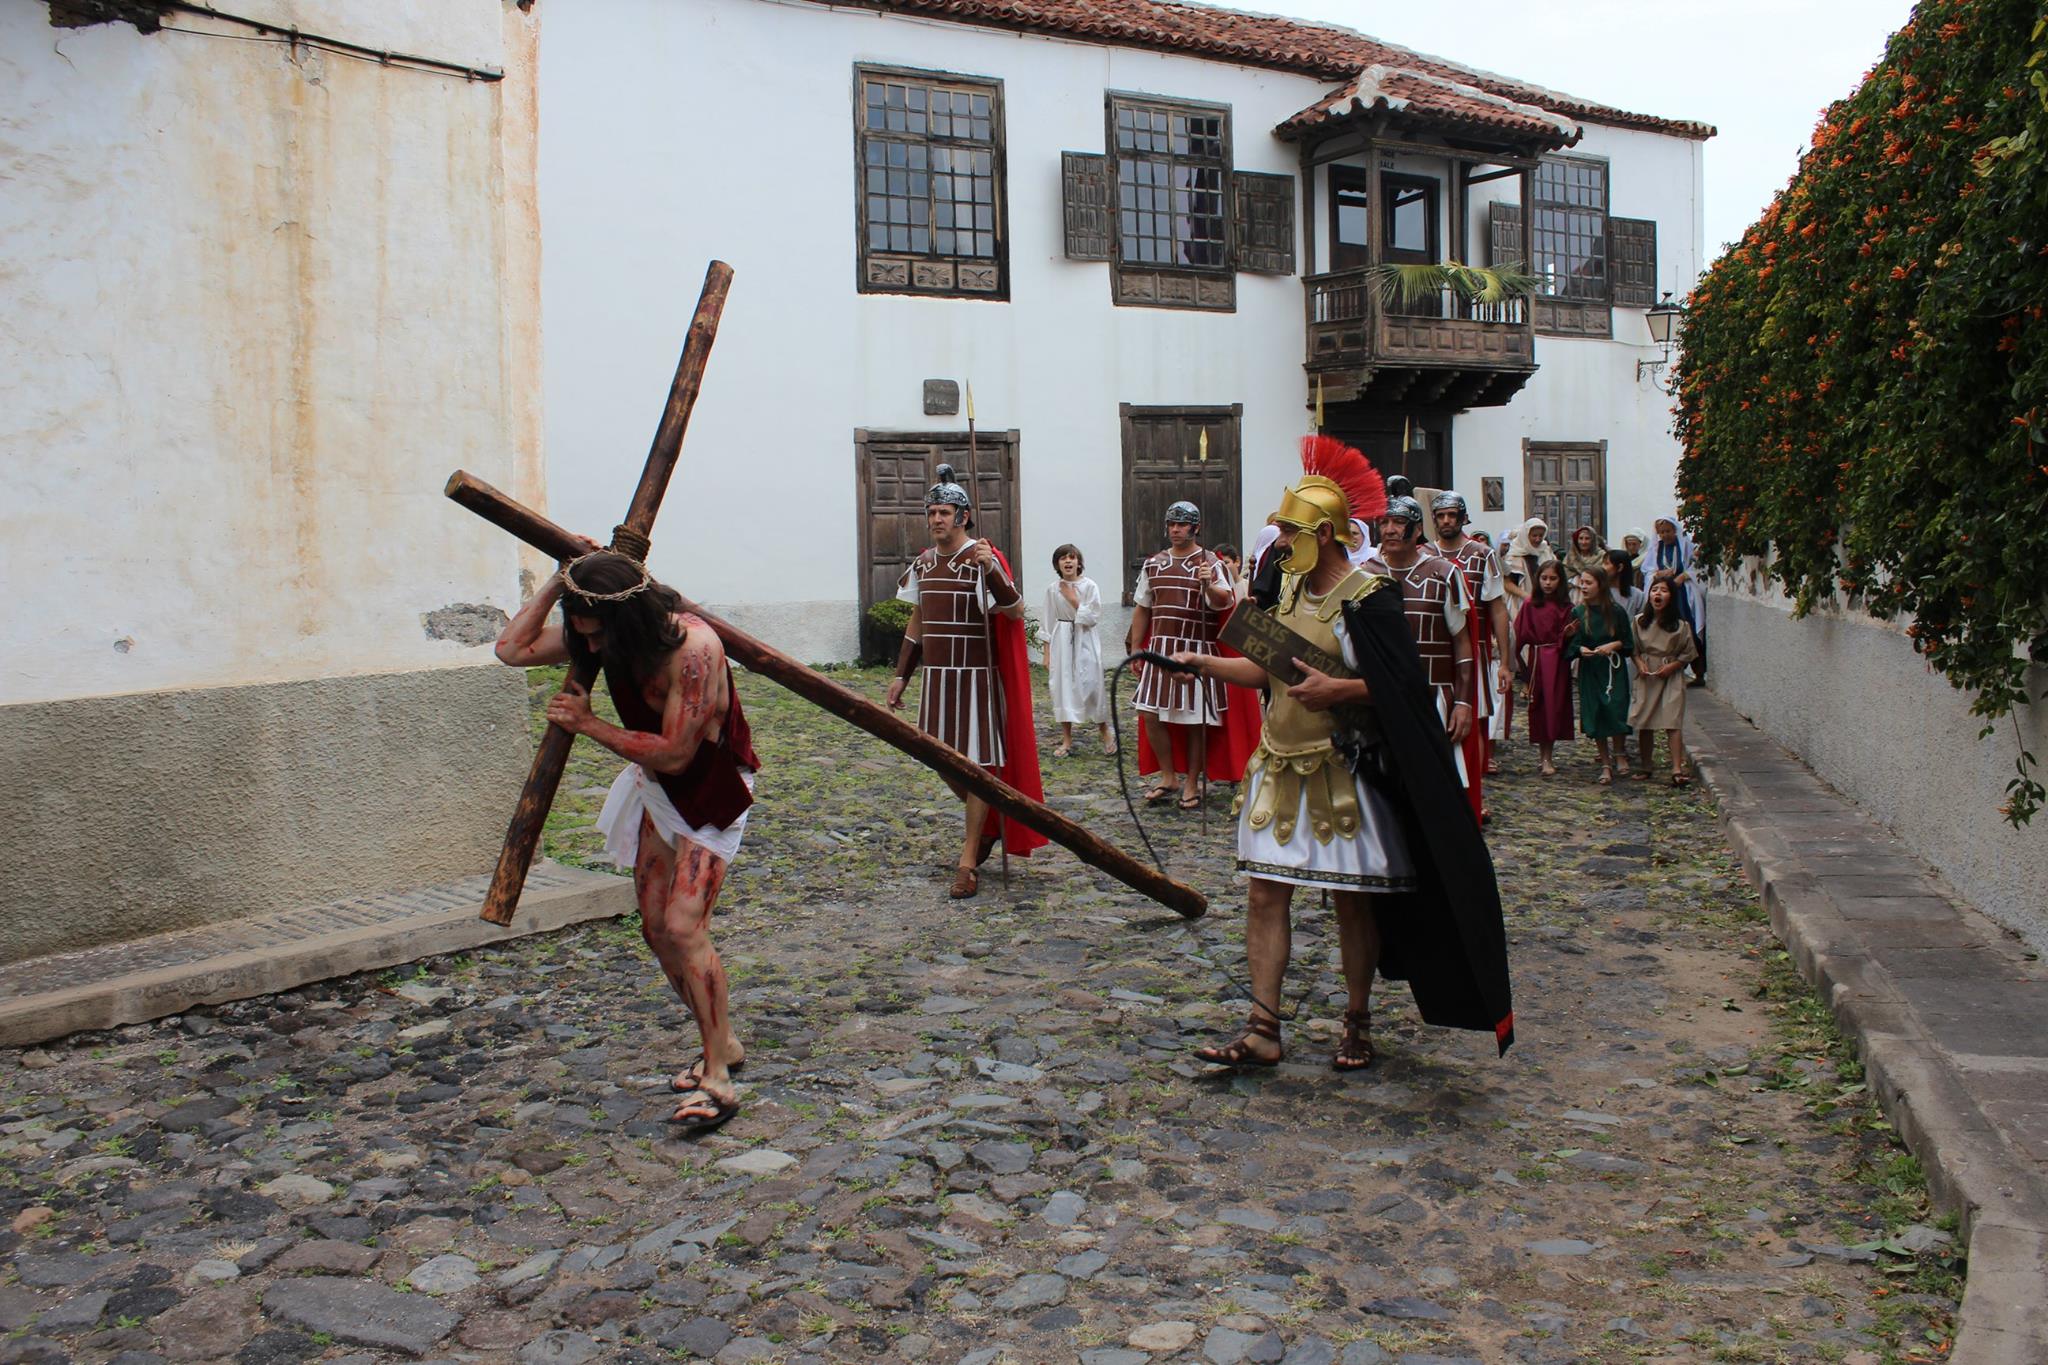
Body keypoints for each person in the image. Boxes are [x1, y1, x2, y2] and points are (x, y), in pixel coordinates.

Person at [1176, 435, 1513, 1071]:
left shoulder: (1370, 597)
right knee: (1264, 894)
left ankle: (1356, 1021)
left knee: (1352, 898)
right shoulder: (1287, 592)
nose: (1278, 543)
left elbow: (1407, 687)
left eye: (1289, 532)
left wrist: (1343, 688)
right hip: (1279, 761)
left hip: (1344, 767)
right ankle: (1263, 1028)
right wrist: (1206, 663)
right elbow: (1270, 671)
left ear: (1325, 533)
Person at [494, 547, 757, 1134]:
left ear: (627, 622)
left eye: (593, 635)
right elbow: (511, 650)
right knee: (657, 928)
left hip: (710, 788)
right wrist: (554, 587)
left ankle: (719, 1077)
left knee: (686, 925)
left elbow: (677, 751)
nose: (587, 649)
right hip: (657, 790)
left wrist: (588, 724)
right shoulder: (602, 633)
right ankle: (724, 1041)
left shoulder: (693, 649)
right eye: (579, 634)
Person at [886, 466, 1047, 898]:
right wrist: (902, 674)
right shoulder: (924, 562)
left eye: (945, 512)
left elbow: (1013, 611)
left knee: (975, 767)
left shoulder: (980, 557)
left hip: (977, 678)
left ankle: (967, 860)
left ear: (963, 516)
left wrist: (991, 569)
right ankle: (992, 813)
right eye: (932, 512)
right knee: (939, 759)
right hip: (938, 679)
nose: (937, 519)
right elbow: (918, 621)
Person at [1127, 501, 1244, 809]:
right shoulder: (1154, 563)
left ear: (1195, 527)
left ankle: (1192, 781)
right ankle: (1169, 776)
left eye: (1181, 524)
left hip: (1196, 648)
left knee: (1195, 719)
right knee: (1150, 714)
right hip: (1161, 649)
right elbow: (1143, 607)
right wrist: (1138, 648)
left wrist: (1208, 585)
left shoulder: (1211, 563)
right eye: (1171, 524)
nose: (1175, 529)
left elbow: (1225, 601)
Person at [1365, 496, 1476, 794]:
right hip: (1379, 696)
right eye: (1384, 522)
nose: (1389, 529)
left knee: (1435, 786)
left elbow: (1462, 642)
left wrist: (1464, 702)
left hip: (1434, 694)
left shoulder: (1443, 573)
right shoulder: (1365, 575)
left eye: (1399, 522)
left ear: (1417, 531)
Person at [1430, 491, 1508, 818]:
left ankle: (1474, 795)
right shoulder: (1423, 555)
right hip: (1432, 651)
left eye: (1452, 515)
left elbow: (1498, 608)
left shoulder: (1482, 555)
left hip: (1472, 650)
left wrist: (1506, 661)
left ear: (1462, 517)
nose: (1447, 520)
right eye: (1441, 515)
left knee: (1473, 723)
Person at [1630, 570, 1699, 786]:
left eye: (1663, 590)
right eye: (1654, 589)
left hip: (1671, 674)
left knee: (1672, 720)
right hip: (1648, 674)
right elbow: (1634, 649)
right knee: (1645, 720)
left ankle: (1677, 768)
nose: (1657, 594)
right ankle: (1646, 765)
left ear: (1671, 596)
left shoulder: (1680, 626)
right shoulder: (1640, 621)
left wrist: (1673, 667)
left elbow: (1688, 653)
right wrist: (1640, 664)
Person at [1044, 544, 1112, 758]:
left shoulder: (1090, 586)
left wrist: (1073, 600)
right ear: (1057, 564)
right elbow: (1047, 621)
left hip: (1085, 640)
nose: (1068, 561)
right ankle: (1067, 738)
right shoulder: (1052, 589)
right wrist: (1047, 653)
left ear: (1078, 562)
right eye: (1063, 558)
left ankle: (1105, 732)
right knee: (1063, 687)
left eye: (1071, 557)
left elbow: (1092, 617)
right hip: (1061, 640)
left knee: (1092, 684)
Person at [1573, 566, 1636, 784]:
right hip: (1591, 670)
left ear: (1600, 585)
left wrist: (1612, 645)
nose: (1583, 587)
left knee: (1615, 708)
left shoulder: (1616, 612)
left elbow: (1628, 643)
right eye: (1582, 582)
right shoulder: (1579, 613)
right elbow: (1572, 644)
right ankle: (1606, 762)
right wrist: (1581, 649)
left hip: (1611, 669)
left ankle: (1619, 752)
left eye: (1588, 583)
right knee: (1597, 712)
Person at [1513, 560, 1576, 777]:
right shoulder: (1530, 605)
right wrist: (1522, 671)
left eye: (1553, 578)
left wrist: (1566, 637)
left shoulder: (1567, 608)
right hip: (1538, 660)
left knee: (1555, 707)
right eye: (1544, 578)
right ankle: (1543, 757)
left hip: (1558, 663)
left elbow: (1571, 641)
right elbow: (1518, 637)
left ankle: (1550, 754)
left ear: (1561, 581)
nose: (1548, 583)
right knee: (1539, 707)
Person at [1651, 514, 1708, 682]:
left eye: (1668, 531)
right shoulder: (1657, 548)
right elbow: (1649, 569)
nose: (1664, 535)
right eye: (1661, 532)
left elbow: (1697, 566)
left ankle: (1698, 672)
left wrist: (1683, 576)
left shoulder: (1685, 546)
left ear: (1675, 530)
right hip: (1664, 594)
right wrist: (1659, 574)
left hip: (1683, 594)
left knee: (1689, 629)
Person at [1562, 524, 1608, 600]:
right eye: (1581, 538)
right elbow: (1564, 575)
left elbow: (1602, 576)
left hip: (1595, 595)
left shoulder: (1601, 556)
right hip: (1572, 594)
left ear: (1593, 540)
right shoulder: (1570, 556)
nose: (1583, 542)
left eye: (1587, 538)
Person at [1604, 548, 1646, 619]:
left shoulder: (1637, 595)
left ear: (1620, 567)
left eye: (1606, 564)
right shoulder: (1599, 591)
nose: (1603, 567)